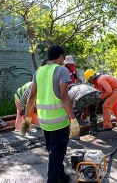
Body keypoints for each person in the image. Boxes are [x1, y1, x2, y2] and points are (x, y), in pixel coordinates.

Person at [20, 44, 80, 183]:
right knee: (57, 152)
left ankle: (61, 176)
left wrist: (26, 117)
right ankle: (52, 180)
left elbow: (31, 96)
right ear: (61, 57)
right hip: (59, 121)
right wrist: (72, 119)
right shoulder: (62, 71)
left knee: (53, 150)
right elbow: (64, 97)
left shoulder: (38, 72)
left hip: (44, 121)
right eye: (63, 57)